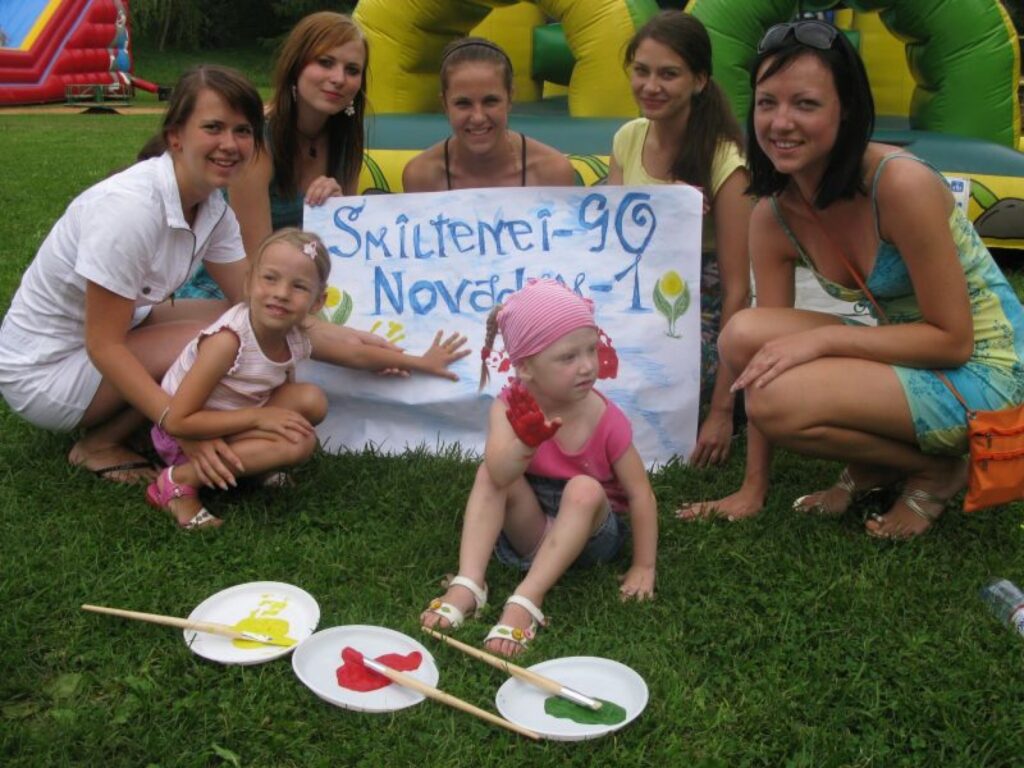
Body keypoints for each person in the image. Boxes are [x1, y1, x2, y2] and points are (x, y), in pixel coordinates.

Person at [677, 20, 1024, 538]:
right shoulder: (775, 214)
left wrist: (820, 342)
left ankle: (935, 470)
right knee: (742, 334)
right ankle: (889, 462)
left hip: (990, 370)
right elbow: (759, 351)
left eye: (806, 104)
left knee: (778, 399)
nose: (781, 122)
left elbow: (954, 340)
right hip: (910, 351)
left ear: (848, 109)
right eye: (768, 103)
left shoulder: (900, 185)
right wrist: (752, 490)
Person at [0, 65, 266, 484]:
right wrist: (177, 421)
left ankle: (156, 418)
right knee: (216, 341)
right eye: (213, 127)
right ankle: (100, 443)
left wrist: (367, 348)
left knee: (236, 319)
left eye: (243, 130)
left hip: (108, 337)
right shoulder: (129, 209)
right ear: (176, 136)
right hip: (45, 372)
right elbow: (103, 346)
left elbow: (256, 306)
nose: (230, 144)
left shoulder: (212, 208)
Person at [148, 229, 469, 529]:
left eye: (298, 286)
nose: (281, 294)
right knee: (300, 443)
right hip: (186, 438)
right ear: (248, 283)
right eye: (270, 279)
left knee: (310, 400)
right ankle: (179, 481)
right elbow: (178, 420)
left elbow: (355, 355)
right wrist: (261, 418)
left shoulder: (296, 332)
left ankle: (253, 466)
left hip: (232, 418)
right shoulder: (227, 342)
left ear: (317, 302)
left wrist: (420, 362)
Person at [419, 279, 657, 657]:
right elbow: (500, 475)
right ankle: (469, 582)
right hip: (532, 530)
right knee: (489, 472)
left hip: (591, 538)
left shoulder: (605, 418)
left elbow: (640, 492)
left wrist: (644, 565)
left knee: (583, 488)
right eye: (568, 357)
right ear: (526, 368)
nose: (587, 366)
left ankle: (527, 598)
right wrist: (526, 443)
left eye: (591, 350)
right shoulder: (508, 406)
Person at [607, 11, 752, 469]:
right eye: (642, 71)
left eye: (669, 74)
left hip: (700, 295)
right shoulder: (628, 137)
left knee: (671, 364)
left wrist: (721, 412)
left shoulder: (725, 159)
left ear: (699, 80)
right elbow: (608, 241)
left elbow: (736, 289)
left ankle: (733, 400)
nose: (651, 86)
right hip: (635, 282)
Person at [178, 11, 368, 298]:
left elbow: (345, 250)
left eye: (352, 70)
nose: (339, 78)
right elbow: (259, 261)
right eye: (325, 62)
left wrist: (338, 212)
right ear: (296, 66)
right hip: (240, 289)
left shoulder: (347, 140)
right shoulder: (257, 140)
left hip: (310, 286)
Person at [401, 37, 576, 192]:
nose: (478, 117)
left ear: (510, 98)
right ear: (445, 105)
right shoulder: (421, 176)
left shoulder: (551, 172)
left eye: (490, 101)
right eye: (463, 104)